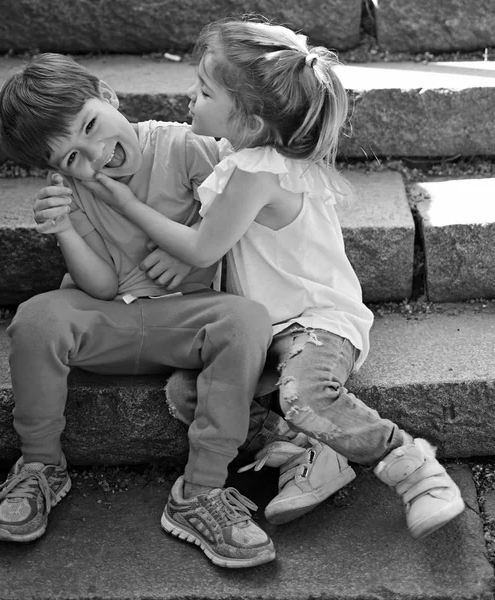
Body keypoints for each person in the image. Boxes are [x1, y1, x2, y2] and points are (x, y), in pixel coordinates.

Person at [87, 16, 466, 540]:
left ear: (249, 120)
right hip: (261, 328)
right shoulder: (241, 157)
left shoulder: (258, 172)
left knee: (302, 394)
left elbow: (203, 244)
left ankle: (413, 467)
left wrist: (126, 203)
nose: (190, 100)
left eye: (203, 91)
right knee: (186, 394)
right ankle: (310, 450)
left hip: (315, 322)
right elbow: (212, 228)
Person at [0, 51, 347, 570]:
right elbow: (103, 285)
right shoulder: (75, 190)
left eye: (91, 126)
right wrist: (63, 228)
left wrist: (197, 246)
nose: (95, 156)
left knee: (246, 320)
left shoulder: (183, 146)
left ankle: (199, 493)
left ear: (108, 95)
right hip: (109, 319)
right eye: (70, 157)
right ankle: (40, 465)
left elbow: (235, 207)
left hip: (191, 319)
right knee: (37, 317)